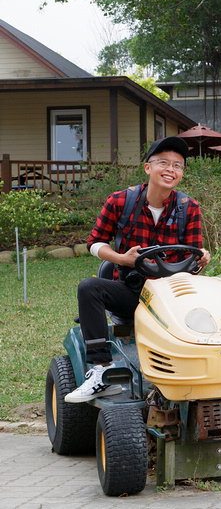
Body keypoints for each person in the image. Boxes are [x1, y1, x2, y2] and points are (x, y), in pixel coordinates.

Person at [65, 137, 211, 403]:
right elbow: (94, 243)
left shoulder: (189, 208)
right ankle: (100, 371)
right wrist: (122, 259)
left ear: (181, 174)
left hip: (173, 298)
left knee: (219, 292)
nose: (170, 169)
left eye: (177, 165)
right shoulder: (121, 201)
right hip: (133, 294)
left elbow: (193, 255)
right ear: (148, 167)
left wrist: (202, 257)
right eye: (163, 163)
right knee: (89, 287)